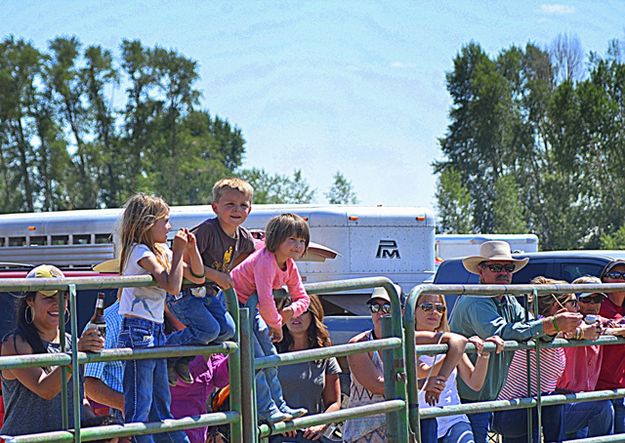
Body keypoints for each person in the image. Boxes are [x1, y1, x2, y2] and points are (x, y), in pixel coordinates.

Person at [449, 241, 582, 443]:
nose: (503, 272)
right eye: (496, 267)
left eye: (508, 268)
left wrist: (550, 327)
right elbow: (502, 331)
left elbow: (529, 327)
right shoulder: (475, 300)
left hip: (490, 396)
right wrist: (551, 325)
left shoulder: (507, 300)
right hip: (468, 398)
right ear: (481, 271)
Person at [117, 193, 205, 443]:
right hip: (138, 329)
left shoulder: (158, 250)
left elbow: (196, 278)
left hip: (153, 329)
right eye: (164, 221)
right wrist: (178, 253)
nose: (169, 227)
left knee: (160, 402)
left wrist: (191, 250)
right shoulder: (139, 251)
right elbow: (173, 286)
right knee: (140, 404)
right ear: (147, 224)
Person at [166, 178, 255, 385]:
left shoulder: (244, 238)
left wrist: (226, 273)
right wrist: (217, 275)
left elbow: (246, 256)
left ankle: (182, 359)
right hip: (186, 295)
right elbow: (181, 264)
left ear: (250, 210)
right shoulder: (206, 231)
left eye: (243, 205)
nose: (237, 210)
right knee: (209, 330)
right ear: (215, 207)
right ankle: (164, 351)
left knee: (227, 330)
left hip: (209, 295)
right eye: (230, 204)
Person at [0, 265, 104, 436]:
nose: (57, 303)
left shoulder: (73, 343)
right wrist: (75, 354)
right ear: (30, 300)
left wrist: (102, 427)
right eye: (48, 297)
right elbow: (46, 389)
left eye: (63, 296)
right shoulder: (14, 344)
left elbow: (77, 398)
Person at [491, 277, 594, 442]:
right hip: (510, 413)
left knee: (558, 399)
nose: (578, 308)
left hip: (531, 408)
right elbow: (545, 332)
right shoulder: (537, 325)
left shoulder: (546, 327)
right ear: (557, 307)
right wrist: (578, 332)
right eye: (573, 303)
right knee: (556, 401)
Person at [231, 213, 310, 424]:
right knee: (256, 357)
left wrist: (288, 313)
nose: (297, 245)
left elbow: (303, 298)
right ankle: (266, 408)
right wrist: (277, 325)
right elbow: (266, 300)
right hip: (233, 306)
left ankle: (279, 405)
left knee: (270, 357)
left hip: (251, 310)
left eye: (302, 241)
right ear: (276, 239)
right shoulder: (265, 261)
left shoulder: (290, 266)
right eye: (291, 239)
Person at [343, 286, 445, 443]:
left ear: (402, 311)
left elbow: (456, 341)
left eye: (387, 306)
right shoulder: (359, 344)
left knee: (429, 421)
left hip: (400, 427)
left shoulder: (408, 339)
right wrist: (424, 384)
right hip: (363, 432)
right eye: (375, 306)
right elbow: (377, 385)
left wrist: (473, 347)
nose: (380, 312)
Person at [415, 292, 504, 443]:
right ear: (413, 310)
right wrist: (454, 354)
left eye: (440, 308)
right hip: (420, 418)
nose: (434, 312)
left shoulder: (452, 341)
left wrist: (484, 353)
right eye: (427, 307)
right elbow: (422, 372)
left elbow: (475, 383)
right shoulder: (407, 339)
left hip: (453, 418)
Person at [270, 294, 341, 442]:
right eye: (290, 310)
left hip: (311, 435)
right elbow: (257, 397)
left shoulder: (324, 353)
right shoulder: (270, 352)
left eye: (302, 310)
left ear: (313, 314)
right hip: (278, 433)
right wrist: (278, 421)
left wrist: (321, 424)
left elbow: (334, 402)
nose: (296, 316)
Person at [557, 276, 614, 439]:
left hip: (585, 398)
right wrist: (581, 333)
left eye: (597, 299)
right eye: (586, 299)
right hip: (561, 397)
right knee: (603, 407)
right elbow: (564, 329)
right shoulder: (567, 322)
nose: (592, 304)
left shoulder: (600, 322)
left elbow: (614, 325)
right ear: (575, 301)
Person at [169, 354, 229, 443]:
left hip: (198, 425)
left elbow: (219, 379)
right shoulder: (177, 344)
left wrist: (230, 361)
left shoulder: (210, 345)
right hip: (174, 423)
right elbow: (178, 381)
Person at [596, 259, 625, 433]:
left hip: (621, 387)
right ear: (605, 279)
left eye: (624, 276)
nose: (621, 279)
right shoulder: (599, 304)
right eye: (615, 275)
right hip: (599, 388)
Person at [84, 296, 124, 419]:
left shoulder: (159, 315)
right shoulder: (107, 321)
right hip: (123, 412)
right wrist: (127, 405)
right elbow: (88, 383)